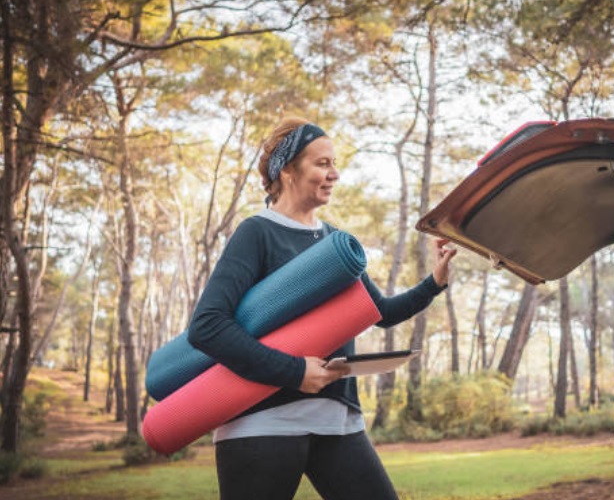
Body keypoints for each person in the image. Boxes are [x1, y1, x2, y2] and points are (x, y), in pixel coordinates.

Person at [187, 116, 457, 500]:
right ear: (287, 172)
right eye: (322, 163)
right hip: (264, 422)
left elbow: (380, 313)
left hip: (337, 421)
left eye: (335, 163)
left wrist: (435, 281)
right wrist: (294, 371)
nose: (335, 174)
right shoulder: (257, 232)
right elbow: (208, 326)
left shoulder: (336, 241)